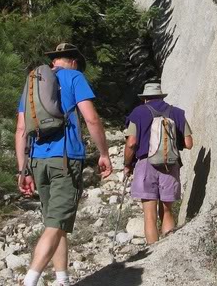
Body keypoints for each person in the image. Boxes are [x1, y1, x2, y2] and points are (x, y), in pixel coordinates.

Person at [16, 43, 112, 286]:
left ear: (54, 61)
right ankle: (30, 280)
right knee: (56, 224)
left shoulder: (33, 83)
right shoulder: (75, 77)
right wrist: (104, 153)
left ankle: (62, 279)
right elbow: (90, 117)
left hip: (38, 162)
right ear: (74, 61)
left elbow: (20, 129)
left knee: (55, 222)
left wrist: (23, 170)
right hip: (66, 160)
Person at [123, 82, 193, 244]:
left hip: (146, 164)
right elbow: (189, 143)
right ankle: (169, 250)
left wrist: (127, 164)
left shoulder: (138, 112)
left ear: (145, 99)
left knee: (149, 216)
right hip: (170, 164)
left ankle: (152, 253)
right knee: (167, 211)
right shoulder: (176, 113)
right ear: (161, 96)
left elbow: (131, 142)